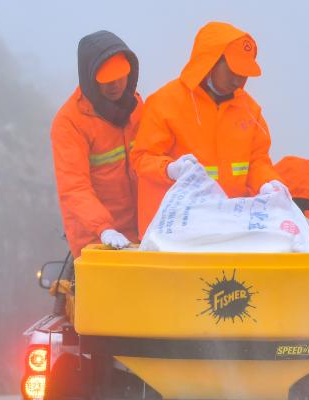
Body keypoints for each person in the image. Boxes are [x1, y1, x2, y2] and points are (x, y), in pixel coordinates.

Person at [131, 21, 283, 235]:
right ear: (210, 62)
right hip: (172, 231)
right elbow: (142, 159)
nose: (238, 78)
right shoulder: (165, 102)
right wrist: (169, 168)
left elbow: (257, 160)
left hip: (227, 230)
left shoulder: (250, 111)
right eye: (233, 69)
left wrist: (269, 183)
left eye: (244, 71)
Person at [51, 30, 143, 258]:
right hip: (95, 241)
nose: (115, 85)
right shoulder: (69, 122)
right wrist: (104, 228)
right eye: (106, 80)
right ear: (89, 78)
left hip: (141, 233)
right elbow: (74, 188)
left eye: (120, 76)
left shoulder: (135, 106)